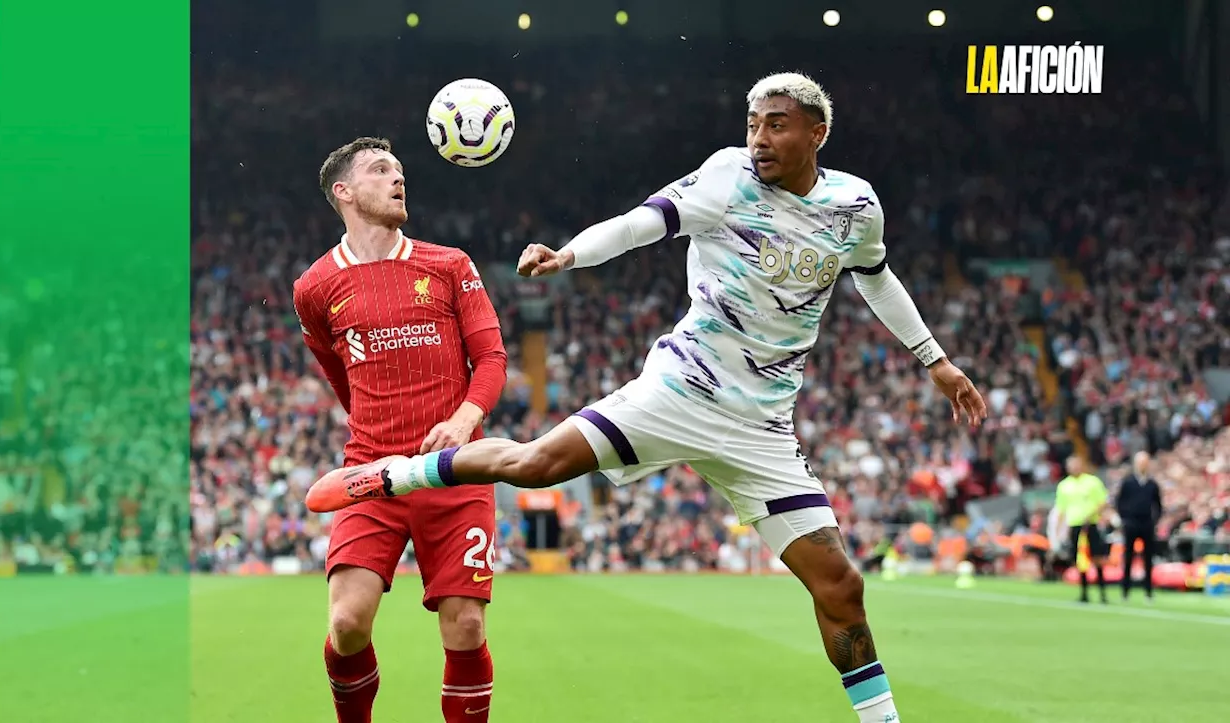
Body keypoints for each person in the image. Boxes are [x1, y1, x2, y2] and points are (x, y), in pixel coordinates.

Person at [309, 74, 988, 723]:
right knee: (536, 464)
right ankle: (395, 473)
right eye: (752, 124)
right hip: (679, 390)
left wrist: (935, 360)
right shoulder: (727, 177)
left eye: (775, 126)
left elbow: (877, 275)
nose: (758, 138)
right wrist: (567, 256)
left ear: (818, 132)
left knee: (841, 586)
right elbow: (642, 223)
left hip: (762, 426)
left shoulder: (855, 206)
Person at [293, 137, 508, 723]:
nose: (398, 179)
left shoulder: (448, 264)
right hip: (372, 475)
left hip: (454, 473)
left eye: (400, 170)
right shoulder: (314, 288)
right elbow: (343, 381)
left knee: (465, 625)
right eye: (381, 170)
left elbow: (491, 359)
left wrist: (465, 419)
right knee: (346, 622)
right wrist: (376, 436)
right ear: (344, 192)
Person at [1055, 456, 1110, 604]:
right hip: (1075, 526)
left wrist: (1092, 514)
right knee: (1080, 560)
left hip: (1091, 524)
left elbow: (1103, 502)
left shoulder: (1092, 482)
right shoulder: (1064, 486)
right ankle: (1084, 593)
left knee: (1097, 558)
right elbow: (1061, 510)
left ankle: (1102, 592)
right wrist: (1058, 530)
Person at [1115, 451, 1162, 602]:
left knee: (1148, 558)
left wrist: (1154, 521)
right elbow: (1119, 502)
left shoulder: (1152, 484)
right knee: (1128, 557)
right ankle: (1125, 591)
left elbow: (1158, 505)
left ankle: (1148, 591)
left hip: (1146, 524)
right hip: (1131, 524)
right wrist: (1125, 519)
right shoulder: (1128, 482)